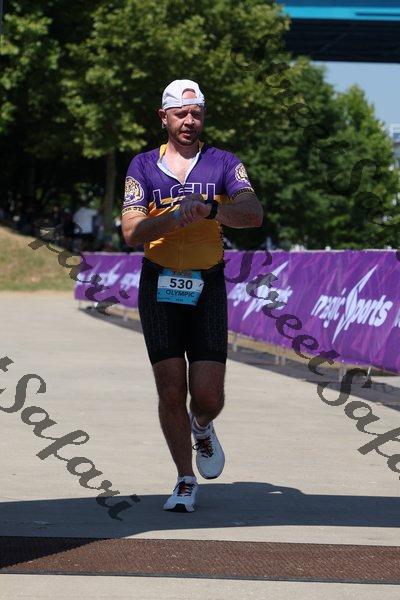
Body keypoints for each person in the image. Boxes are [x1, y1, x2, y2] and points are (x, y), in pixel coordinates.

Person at [121, 79, 263, 512]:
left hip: (207, 285)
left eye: (196, 113)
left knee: (208, 397)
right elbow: (131, 232)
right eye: (180, 114)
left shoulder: (224, 163)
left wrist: (212, 209)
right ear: (163, 117)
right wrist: (171, 219)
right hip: (159, 284)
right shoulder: (143, 167)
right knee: (170, 390)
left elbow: (253, 213)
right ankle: (185, 478)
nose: (189, 121)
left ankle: (201, 426)